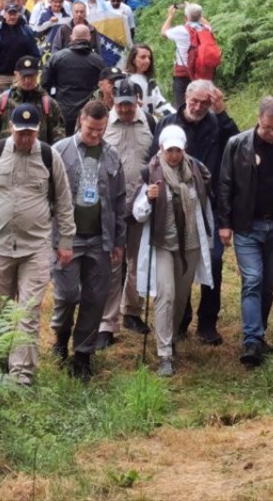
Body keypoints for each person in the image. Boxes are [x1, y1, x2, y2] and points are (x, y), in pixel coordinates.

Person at [0, 104, 75, 386]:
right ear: (11, 129)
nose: (25, 138)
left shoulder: (50, 157)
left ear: (38, 132)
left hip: (36, 249)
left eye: (31, 133)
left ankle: (21, 376)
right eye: (20, 133)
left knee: (28, 311)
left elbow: (64, 201)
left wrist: (65, 241)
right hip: (0, 247)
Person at [217, 97, 273, 367]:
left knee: (268, 284)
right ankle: (252, 340)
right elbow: (225, 185)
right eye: (268, 128)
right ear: (258, 119)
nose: (272, 133)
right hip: (248, 225)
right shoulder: (237, 145)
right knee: (253, 280)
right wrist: (225, 222)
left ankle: (260, 334)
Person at [156, 79, 239, 345]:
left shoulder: (217, 124)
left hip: (209, 206)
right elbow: (153, 162)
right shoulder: (169, 123)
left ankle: (207, 323)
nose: (199, 106)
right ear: (186, 97)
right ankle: (181, 320)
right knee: (181, 263)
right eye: (195, 101)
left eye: (206, 102)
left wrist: (222, 112)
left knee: (213, 262)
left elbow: (236, 145)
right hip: (175, 207)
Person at [50, 102, 127, 381]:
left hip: (100, 239)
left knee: (95, 298)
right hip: (67, 238)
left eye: (100, 130)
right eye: (90, 129)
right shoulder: (61, 151)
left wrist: (119, 240)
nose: (95, 135)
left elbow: (119, 201)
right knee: (68, 294)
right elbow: (49, 198)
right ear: (80, 120)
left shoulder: (111, 154)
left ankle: (83, 354)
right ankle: (61, 336)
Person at [134, 124, 217, 378]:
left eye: (177, 151)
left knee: (181, 298)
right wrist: (148, 198)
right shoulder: (151, 173)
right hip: (162, 244)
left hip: (191, 244)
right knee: (165, 295)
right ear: (161, 148)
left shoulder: (196, 171)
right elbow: (138, 214)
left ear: (184, 150)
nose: (173, 155)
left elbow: (205, 206)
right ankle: (164, 354)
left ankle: (171, 338)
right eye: (169, 150)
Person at [99, 80, 158, 345]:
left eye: (129, 104)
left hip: (140, 203)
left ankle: (132, 311)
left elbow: (157, 161)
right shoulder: (101, 122)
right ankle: (106, 323)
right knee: (110, 263)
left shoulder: (151, 123)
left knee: (136, 260)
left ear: (138, 101)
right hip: (108, 205)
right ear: (113, 101)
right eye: (120, 104)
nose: (124, 110)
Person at [0, 56, 65, 145]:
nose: (27, 80)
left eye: (31, 76)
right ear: (16, 75)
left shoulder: (49, 104)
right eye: (23, 76)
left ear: (37, 75)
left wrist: (49, 156)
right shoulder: (0, 103)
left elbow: (59, 140)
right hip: (8, 156)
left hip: (38, 156)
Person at [43, 25, 107, 135]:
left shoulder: (57, 58)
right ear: (89, 38)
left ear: (71, 37)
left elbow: (44, 85)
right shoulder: (98, 61)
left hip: (62, 112)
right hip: (89, 114)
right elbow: (105, 87)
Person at [0, 2, 41, 96]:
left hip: (22, 77)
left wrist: (29, 72)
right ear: (4, 14)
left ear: (18, 14)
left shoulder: (27, 31)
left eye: (14, 14)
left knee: (21, 108)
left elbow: (35, 54)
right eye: (10, 14)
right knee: (1, 108)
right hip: (1, 77)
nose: (12, 17)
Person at [162, 2, 210, 110]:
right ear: (200, 16)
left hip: (183, 72)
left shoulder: (181, 30)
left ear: (185, 18)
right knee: (201, 102)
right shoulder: (206, 29)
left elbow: (163, 32)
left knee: (181, 104)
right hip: (202, 71)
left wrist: (170, 16)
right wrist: (194, 11)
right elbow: (208, 24)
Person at [122, 44, 173, 120]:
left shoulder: (150, 82)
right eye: (143, 57)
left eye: (149, 58)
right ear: (133, 59)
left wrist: (176, 116)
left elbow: (160, 103)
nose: (147, 61)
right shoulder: (124, 80)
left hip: (149, 124)